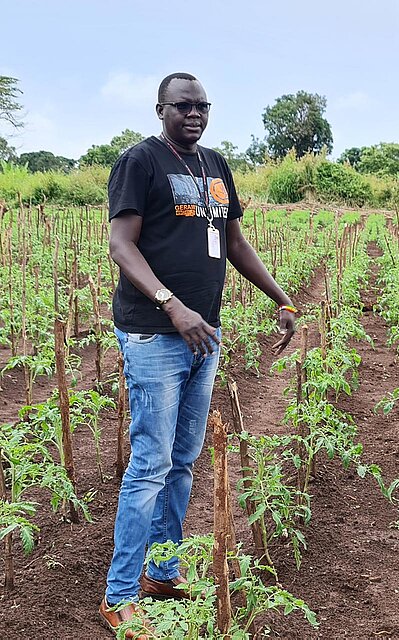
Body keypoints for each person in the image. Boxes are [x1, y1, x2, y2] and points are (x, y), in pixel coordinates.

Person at [99, 72, 298, 637]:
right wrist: (171, 306)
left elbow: (234, 242)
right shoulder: (140, 162)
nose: (195, 114)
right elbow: (121, 244)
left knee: (184, 460)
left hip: (202, 336)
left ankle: (162, 571)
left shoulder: (214, 164)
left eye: (203, 106)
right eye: (184, 106)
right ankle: (119, 594)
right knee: (150, 464)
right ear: (160, 108)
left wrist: (281, 298)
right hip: (156, 335)